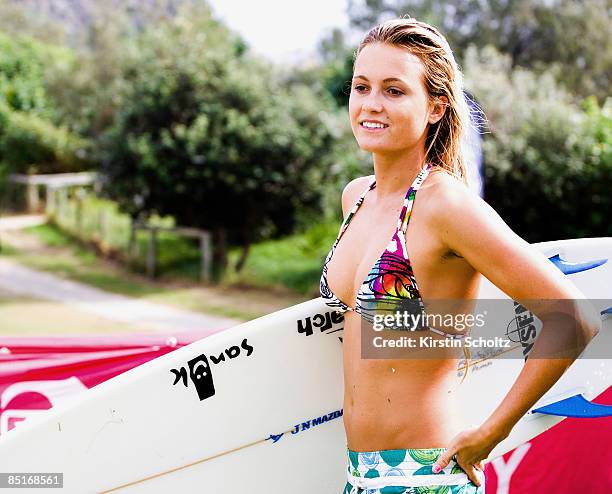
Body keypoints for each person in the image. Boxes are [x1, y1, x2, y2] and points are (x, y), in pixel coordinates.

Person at [319, 18, 600, 494]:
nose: (371, 104)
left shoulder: (445, 207)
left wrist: (492, 432)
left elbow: (572, 319)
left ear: (435, 107)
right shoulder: (356, 197)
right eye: (361, 87)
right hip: (357, 476)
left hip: (427, 475)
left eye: (394, 91)